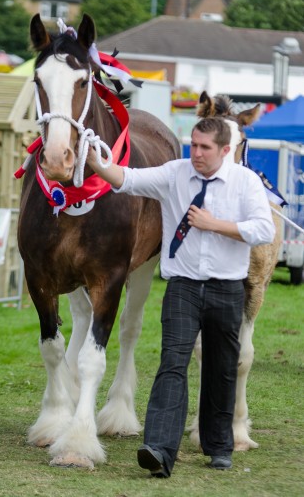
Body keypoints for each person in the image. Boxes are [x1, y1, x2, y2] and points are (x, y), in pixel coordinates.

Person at [87, 116, 275, 477]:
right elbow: (128, 180)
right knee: (172, 364)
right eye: (193, 145)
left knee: (221, 369)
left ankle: (218, 446)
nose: (197, 154)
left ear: (225, 150)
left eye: (205, 148)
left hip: (225, 289)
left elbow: (264, 229)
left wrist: (214, 224)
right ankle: (159, 449)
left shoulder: (245, 182)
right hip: (182, 289)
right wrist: (97, 164)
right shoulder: (175, 173)